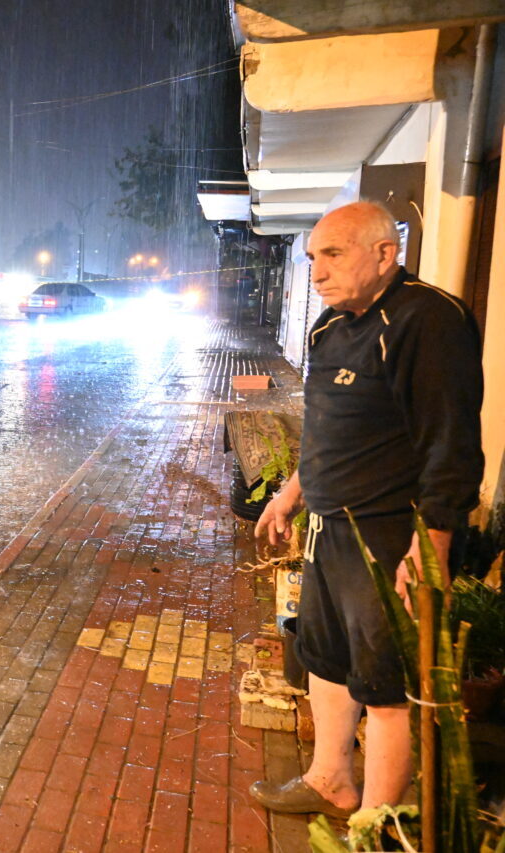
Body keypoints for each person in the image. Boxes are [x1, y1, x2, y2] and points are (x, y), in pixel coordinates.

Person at [251, 201, 484, 817]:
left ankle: (377, 821)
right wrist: (289, 495)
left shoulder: (428, 321)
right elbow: (330, 431)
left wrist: (429, 549)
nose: (317, 272)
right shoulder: (329, 328)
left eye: (333, 254)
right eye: (312, 259)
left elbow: (452, 445)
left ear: (386, 254)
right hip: (328, 530)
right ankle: (330, 778)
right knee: (324, 658)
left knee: (387, 685)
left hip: (390, 541)